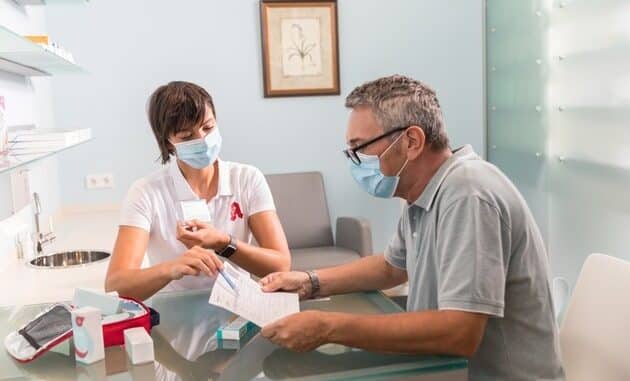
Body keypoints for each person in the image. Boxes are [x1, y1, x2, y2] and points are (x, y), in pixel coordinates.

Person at [259, 75, 564, 380]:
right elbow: (392, 267)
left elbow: (460, 332)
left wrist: (328, 328)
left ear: (412, 142)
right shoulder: (425, 192)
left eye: (359, 149)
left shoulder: (468, 194)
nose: (355, 161)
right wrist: (310, 282)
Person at [106, 81, 290, 300]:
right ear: (168, 143)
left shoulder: (247, 179)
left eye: (208, 127)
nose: (202, 140)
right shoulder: (145, 192)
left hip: (238, 307)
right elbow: (116, 284)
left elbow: (281, 264)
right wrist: (171, 269)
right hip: (173, 314)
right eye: (186, 136)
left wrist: (224, 243)